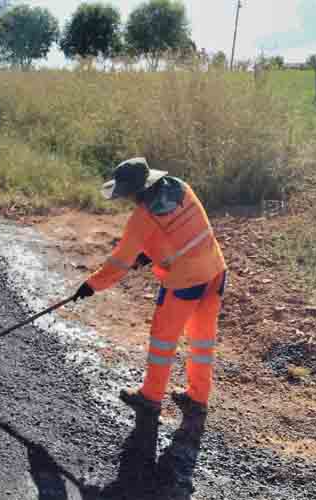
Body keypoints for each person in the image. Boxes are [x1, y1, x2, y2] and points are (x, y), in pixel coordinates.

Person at [72, 158, 226, 437]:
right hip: (215, 270)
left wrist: (91, 285)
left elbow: (118, 264)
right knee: (202, 340)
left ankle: (151, 398)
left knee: (162, 340)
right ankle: (197, 397)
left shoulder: (142, 218)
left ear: (134, 191)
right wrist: (149, 253)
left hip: (186, 282)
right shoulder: (181, 187)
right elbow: (183, 232)